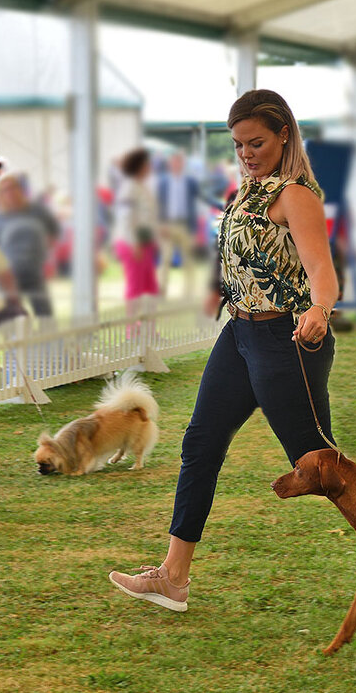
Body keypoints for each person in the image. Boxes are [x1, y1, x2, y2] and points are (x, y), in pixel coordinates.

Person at [109, 89, 339, 611]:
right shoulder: (246, 192)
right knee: (200, 445)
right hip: (238, 336)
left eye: (256, 142)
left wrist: (319, 310)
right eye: (238, 145)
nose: (246, 154)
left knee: (320, 466)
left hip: (289, 340)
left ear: (284, 134)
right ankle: (173, 577)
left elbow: (323, 270)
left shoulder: (296, 194)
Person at [0, 173, 59, 319]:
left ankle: (47, 342)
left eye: (12, 188)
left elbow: (53, 233)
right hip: (9, 276)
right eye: (4, 190)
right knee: (14, 318)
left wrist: (48, 260)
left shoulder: (38, 211)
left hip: (36, 272)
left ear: (20, 189)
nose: (10, 193)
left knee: (45, 316)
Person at [157, 150, 217, 299]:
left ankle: (188, 293)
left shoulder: (190, 182)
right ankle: (161, 292)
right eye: (174, 162)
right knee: (165, 259)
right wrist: (160, 224)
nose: (176, 165)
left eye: (179, 162)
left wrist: (220, 205)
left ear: (182, 164)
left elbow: (203, 196)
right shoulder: (163, 182)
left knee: (188, 261)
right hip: (168, 225)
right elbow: (158, 204)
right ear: (170, 164)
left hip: (186, 226)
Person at [112, 148, 161, 311]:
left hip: (145, 243)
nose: (149, 166)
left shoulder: (142, 186)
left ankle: (149, 332)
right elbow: (126, 218)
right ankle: (132, 332)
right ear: (138, 166)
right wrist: (134, 244)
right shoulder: (129, 187)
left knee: (150, 288)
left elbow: (148, 217)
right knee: (135, 288)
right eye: (146, 163)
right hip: (132, 244)